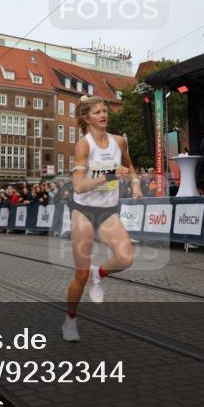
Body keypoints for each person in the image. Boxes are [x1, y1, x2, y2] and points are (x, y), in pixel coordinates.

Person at [64, 95, 142, 342]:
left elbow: (129, 166)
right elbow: (78, 186)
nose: (104, 115)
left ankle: (101, 273)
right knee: (80, 275)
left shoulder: (119, 142)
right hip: (83, 211)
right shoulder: (83, 146)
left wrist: (136, 183)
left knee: (125, 258)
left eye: (105, 111)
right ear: (86, 118)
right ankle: (70, 320)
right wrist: (109, 175)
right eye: (97, 112)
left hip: (108, 211)